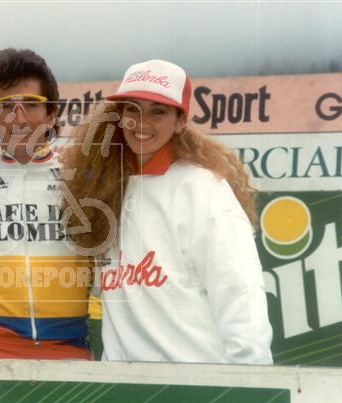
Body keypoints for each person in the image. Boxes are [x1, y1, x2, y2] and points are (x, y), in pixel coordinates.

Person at [63, 59, 273, 364]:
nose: (142, 122)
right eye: (132, 109)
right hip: (120, 384)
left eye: (158, 111)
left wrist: (251, 382)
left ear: (180, 121)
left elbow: (241, 295)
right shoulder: (103, 189)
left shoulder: (203, 189)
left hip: (195, 383)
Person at [0, 48, 92, 359]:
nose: (18, 118)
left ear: (51, 114)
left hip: (70, 348)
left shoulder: (82, 178)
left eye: (31, 105)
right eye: (5, 106)